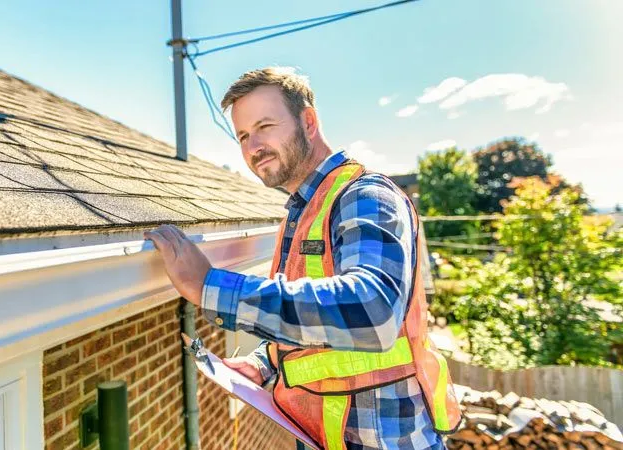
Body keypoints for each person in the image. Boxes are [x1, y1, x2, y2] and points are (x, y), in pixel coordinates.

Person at [145, 67, 461, 450]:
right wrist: (265, 362)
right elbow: (317, 324)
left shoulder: (363, 196)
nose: (252, 147)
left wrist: (209, 286)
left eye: (265, 126)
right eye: (243, 136)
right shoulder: (301, 213)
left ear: (308, 121)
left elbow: (373, 312)